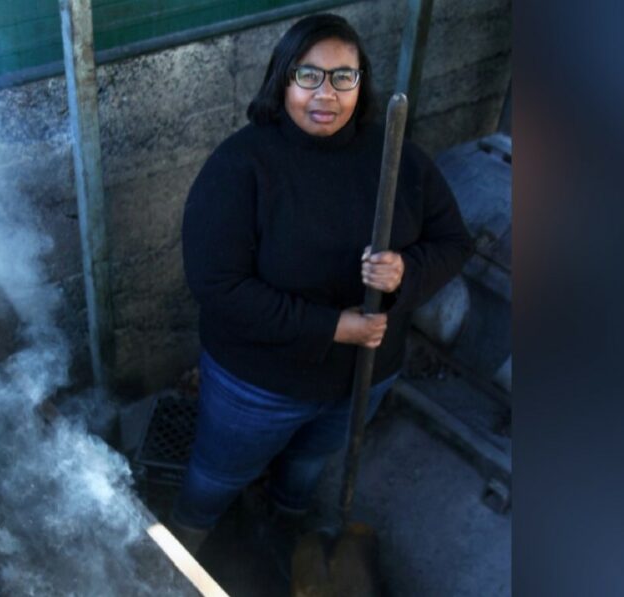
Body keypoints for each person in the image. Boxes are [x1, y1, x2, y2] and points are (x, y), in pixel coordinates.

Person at [170, 13, 474, 563]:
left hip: (364, 378)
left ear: (362, 83)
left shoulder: (397, 155)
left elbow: (453, 242)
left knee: (310, 467)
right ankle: (184, 549)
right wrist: (337, 326)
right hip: (258, 385)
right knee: (217, 475)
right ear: (281, 79)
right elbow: (219, 287)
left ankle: (284, 529)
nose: (326, 94)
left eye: (343, 77)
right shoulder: (241, 167)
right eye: (308, 76)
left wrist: (404, 272)